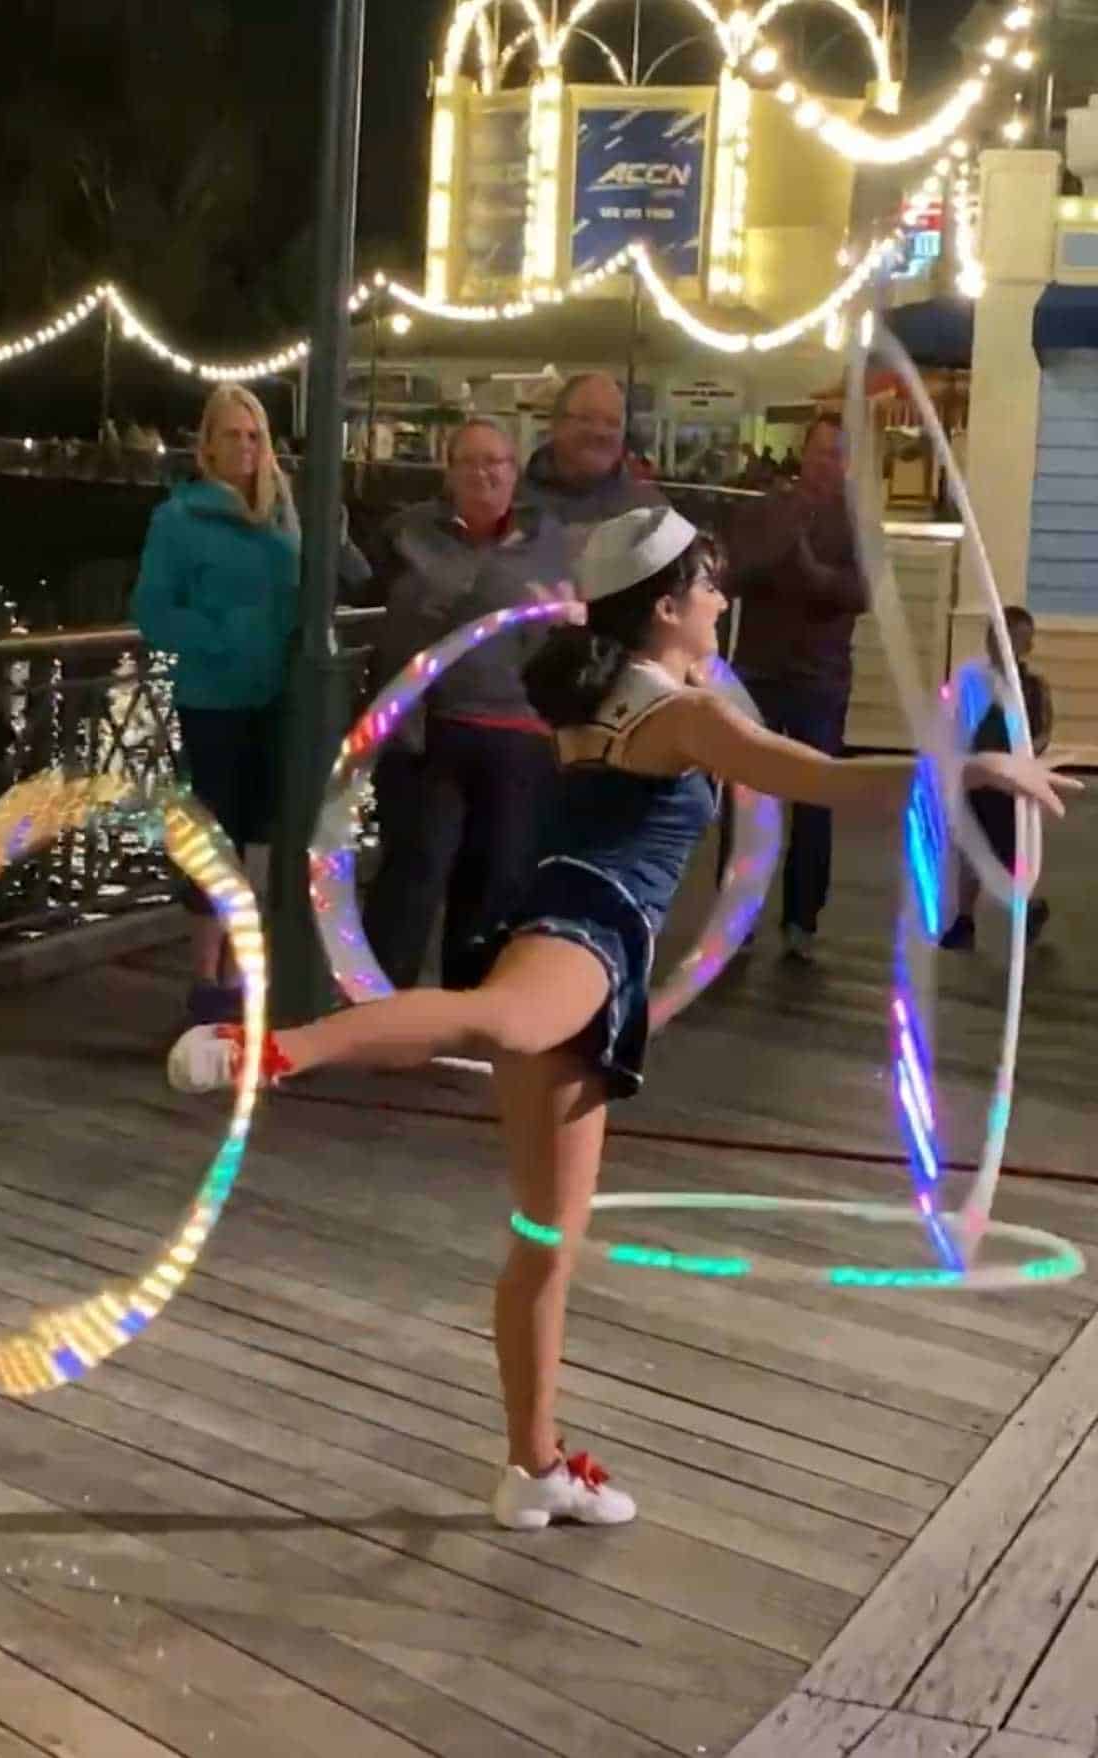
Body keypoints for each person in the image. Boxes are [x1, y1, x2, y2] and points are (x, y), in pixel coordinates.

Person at [165, 506, 1076, 1532]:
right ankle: (272, 1049)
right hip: (587, 932)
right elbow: (814, 778)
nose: (726, 602)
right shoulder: (678, 716)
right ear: (673, 605)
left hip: (577, 929)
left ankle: (533, 1467)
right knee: (499, 1020)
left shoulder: (614, 696)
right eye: (713, 586)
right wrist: (967, 772)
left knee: (546, 1237)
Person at [362, 418, 569, 987]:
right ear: (448, 472)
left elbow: (576, 627)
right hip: (429, 730)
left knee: (498, 879)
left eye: (497, 462)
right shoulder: (406, 534)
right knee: (414, 872)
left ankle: (470, 1003)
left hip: (518, 732)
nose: (484, 473)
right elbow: (360, 591)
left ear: (515, 472)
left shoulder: (549, 540)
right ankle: (379, 1003)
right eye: (470, 461)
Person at [133, 382, 301, 1026]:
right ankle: (205, 975)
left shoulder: (284, 513)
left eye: (254, 434)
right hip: (213, 700)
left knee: (259, 839)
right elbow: (151, 611)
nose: (245, 446)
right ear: (206, 445)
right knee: (214, 838)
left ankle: (240, 968)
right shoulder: (179, 519)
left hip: (278, 699)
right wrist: (222, 639)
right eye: (231, 434)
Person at [725, 413, 868, 960]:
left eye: (837, 453)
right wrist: (775, 545)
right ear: (802, 454)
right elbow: (732, 574)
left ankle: (802, 920)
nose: (826, 463)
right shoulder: (765, 508)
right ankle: (735, 917)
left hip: (819, 682)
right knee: (747, 798)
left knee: (814, 797)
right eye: (819, 451)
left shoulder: (858, 525)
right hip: (758, 672)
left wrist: (804, 561)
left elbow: (859, 593)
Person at [941, 606, 1054, 952]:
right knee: (970, 845)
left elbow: (1043, 731)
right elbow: (956, 721)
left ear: (1026, 646)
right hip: (976, 777)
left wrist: (1021, 759)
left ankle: (1027, 908)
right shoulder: (975, 684)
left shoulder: (1032, 689)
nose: (1001, 645)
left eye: (1012, 639)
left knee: (1008, 851)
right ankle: (964, 920)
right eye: (996, 636)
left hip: (1009, 782)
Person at [521, 373, 665, 544]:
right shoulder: (506, 504)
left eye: (612, 423)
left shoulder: (651, 513)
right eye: (585, 419)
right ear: (556, 424)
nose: (600, 432)